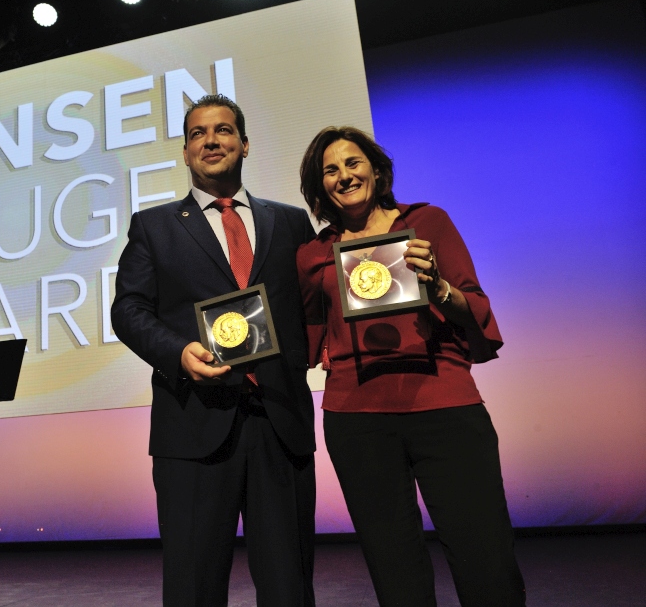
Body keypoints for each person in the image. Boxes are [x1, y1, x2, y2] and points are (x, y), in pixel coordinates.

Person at [296, 126, 526, 606]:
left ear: (377, 172)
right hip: (356, 419)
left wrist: (439, 287)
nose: (344, 176)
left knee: (485, 556)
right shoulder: (313, 255)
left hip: (444, 406)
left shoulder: (428, 223)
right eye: (330, 171)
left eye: (353, 163)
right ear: (320, 190)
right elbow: (307, 334)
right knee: (393, 565)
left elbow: (475, 305)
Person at [111, 94, 317, 606]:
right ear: (185, 152)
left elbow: (316, 302)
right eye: (198, 133)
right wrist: (178, 352)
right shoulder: (154, 226)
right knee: (194, 587)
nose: (211, 140)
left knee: (290, 585)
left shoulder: (291, 223)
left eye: (223, 130)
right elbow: (128, 310)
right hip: (193, 424)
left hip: (280, 423)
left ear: (244, 144)